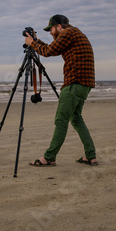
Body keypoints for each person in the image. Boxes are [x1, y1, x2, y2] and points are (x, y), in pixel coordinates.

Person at [24, 14, 98, 167]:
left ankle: (49, 157)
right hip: (84, 85)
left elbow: (49, 51)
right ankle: (91, 156)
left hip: (74, 83)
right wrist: (36, 41)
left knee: (61, 120)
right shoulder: (76, 33)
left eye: (51, 29)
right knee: (76, 119)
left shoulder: (67, 33)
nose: (50, 33)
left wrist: (32, 43)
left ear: (59, 26)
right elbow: (54, 49)